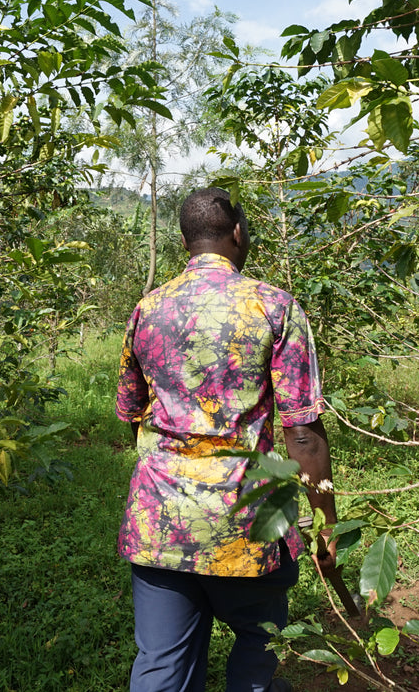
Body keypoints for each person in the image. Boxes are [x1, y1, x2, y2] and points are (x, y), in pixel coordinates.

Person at [115, 187, 338, 692]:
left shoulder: (148, 309)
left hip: (161, 522)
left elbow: (131, 413)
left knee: (162, 666)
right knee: (258, 657)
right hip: (248, 519)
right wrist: (328, 526)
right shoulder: (273, 306)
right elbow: (301, 432)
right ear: (237, 233)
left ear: (183, 239)